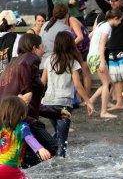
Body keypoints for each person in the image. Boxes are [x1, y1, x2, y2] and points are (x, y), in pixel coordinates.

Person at [0, 33, 71, 168]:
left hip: (7, 118)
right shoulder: (28, 61)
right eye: (42, 46)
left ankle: (17, 170)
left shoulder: (10, 65)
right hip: (23, 119)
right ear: (34, 49)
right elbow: (26, 99)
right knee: (53, 148)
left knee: (19, 152)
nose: (44, 50)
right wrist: (29, 92)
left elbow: (26, 103)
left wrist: (56, 112)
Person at [41, 31, 94, 157]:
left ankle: (45, 153)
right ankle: (60, 169)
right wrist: (88, 101)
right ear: (70, 44)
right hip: (64, 105)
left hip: (47, 104)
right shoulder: (72, 62)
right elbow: (77, 84)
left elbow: (42, 82)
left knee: (58, 134)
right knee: (62, 143)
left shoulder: (49, 60)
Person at [0, 96, 51, 179]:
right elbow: (29, 138)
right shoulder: (22, 126)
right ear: (20, 112)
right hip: (9, 168)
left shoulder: (1, 127)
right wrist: (40, 148)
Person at [87, 9, 123, 119]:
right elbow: (102, 45)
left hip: (92, 56)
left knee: (108, 82)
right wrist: (102, 61)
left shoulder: (101, 24)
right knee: (107, 83)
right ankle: (103, 112)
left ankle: (93, 100)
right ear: (116, 18)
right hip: (97, 57)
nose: (120, 23)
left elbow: (90, 36)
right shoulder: (107, 27)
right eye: (120, 20)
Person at [66, 15, 92, 98]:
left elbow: (80, 37)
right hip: (75, 50)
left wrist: (67, 45)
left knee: (85, 72)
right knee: (75, 73)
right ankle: (78, 97)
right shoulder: (61, 24)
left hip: (84, 48)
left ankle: (87, 97)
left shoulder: (72, 19)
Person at [40, 3, 71, 71]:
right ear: (66, 15)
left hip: (42, 64)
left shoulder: (45, 24)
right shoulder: (65, 29)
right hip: (55, 66)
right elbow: (68, 50)